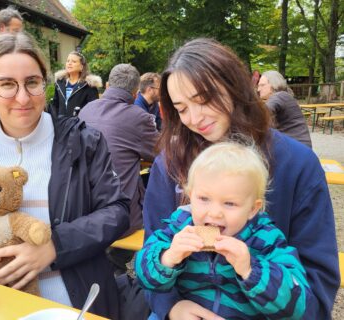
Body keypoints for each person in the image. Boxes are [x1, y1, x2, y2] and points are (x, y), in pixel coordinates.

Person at [0, 33, 129, 320]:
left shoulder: (82, 141)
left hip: (71, 299)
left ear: (45, 82)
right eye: (6, 84)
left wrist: (55, 245)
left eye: (32, 82)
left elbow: (117, 211)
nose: (22, 97)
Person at [142, 38, 339, 320]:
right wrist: (171, 308)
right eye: (182, 108)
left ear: (234, 87)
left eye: (202, 99)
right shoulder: (170, 163)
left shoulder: (297, 163)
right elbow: (152, 252)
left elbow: (317, 285)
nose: (195, 118)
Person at [137, 141, 312, 319]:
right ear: (190, 196)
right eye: (204, 198)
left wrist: (250, 270)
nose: (214, 213)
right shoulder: (178, 229)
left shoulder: (266, 239)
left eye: (229, 203)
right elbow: (143, 275)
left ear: (253, 208)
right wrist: (168, 257)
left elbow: (297, 305)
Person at [79, 64, 158, 274]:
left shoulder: (87, 110)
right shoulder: (138, 117)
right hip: (121, 219)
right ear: (135, 93)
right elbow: (159, 153)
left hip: (83, 210)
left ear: (107, 85)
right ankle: (116, 269)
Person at [258, 70, 312, 148]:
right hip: (298, 148)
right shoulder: (284, 97)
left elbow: (262, 113)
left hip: (298, 150)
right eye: (258, 85)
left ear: (274, 84)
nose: (258, 89)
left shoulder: (280, 96)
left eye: (262, 85)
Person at [49, 51, 102, 117]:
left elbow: (94, 110)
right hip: (60, 125)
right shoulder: (59, 83)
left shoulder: (89, 86)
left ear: (81, 67)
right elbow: (55, 105)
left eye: (74, 61)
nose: (69, 63)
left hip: (79, 125)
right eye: (68, 61)